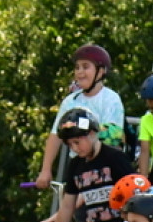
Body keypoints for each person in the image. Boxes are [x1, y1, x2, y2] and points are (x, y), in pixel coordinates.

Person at [33, 43, 125, 191]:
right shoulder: (70, 101)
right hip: (77, 163)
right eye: (77, 67)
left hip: (105, 166)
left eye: (85, 66)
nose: (80, 72)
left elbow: (112, 137)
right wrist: (46, 170)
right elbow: (55, 136)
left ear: (100, 72)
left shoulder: (111, 99)